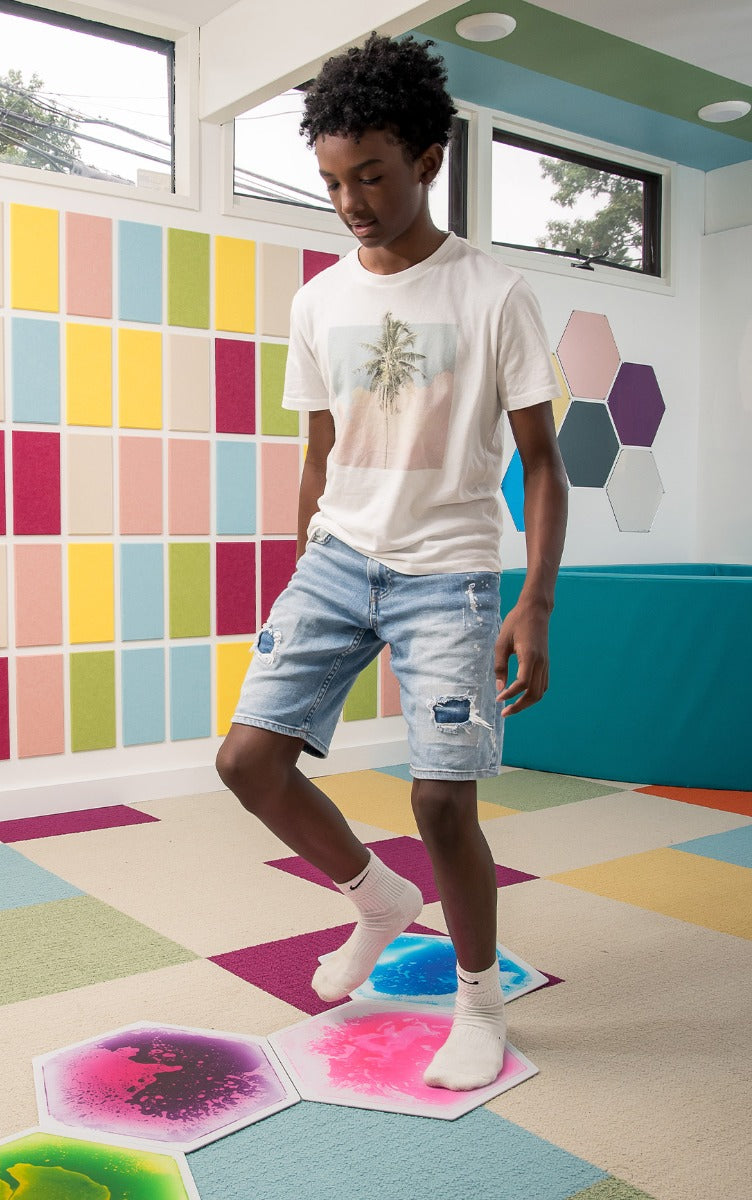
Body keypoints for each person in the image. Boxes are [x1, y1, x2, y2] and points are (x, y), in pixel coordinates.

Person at [215, 32, 568, 1091]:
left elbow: (543, 464)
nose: (351, 199)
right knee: (245, 763)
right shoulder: (317, 302)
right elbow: (319, 452)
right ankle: (377, 899)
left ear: (426, 160)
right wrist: (295, 569)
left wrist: (535, 603)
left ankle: (478, 1002)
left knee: (441, 801)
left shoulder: (494, 295)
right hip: (336, 558)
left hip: (448, 570)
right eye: (331, 181)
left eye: (370, 174)